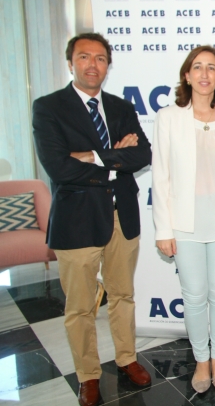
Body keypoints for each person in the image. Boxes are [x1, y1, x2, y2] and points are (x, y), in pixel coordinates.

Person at [32, 33, 152, 406]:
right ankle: (88, 375)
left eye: (100, 58)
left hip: (122, 216)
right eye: (84, 57)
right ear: (71, 63)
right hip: (77, 220)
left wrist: (93, 156)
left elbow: (143, 155)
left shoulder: (120, 107)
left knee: (123, 295)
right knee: (80, 306)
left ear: (108, 66)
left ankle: (127, 358)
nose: (92, 64)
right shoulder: (49, 107)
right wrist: (114, 157)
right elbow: (59, 167)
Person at [152, 46, 215, 393]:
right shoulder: (168, 117)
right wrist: (163, 229)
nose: (204, 74)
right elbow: (160, 177)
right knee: (195, 295)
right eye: (197, 67)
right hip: (184, 224)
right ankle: (201, 360)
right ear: (187, 75)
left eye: (212, 67)